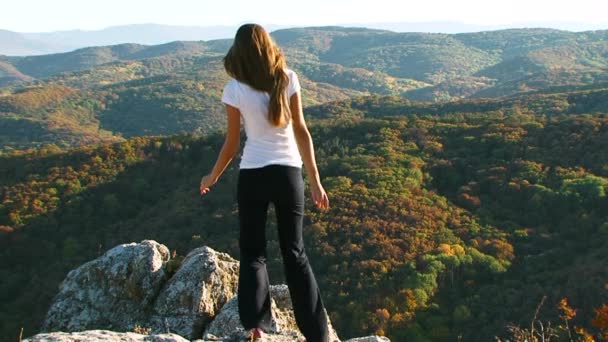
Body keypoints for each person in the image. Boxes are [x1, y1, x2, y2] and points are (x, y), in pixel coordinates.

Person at [199, 23, 330, 342]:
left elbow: (231, 144)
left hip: (253, 174)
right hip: (288, 174)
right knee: (295, 252)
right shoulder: (288, 78)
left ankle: (256, 325)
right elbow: (301, 130)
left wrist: (212, 176)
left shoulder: (235, 88)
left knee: (253, 252)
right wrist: (315, 180)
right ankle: (317, 333)